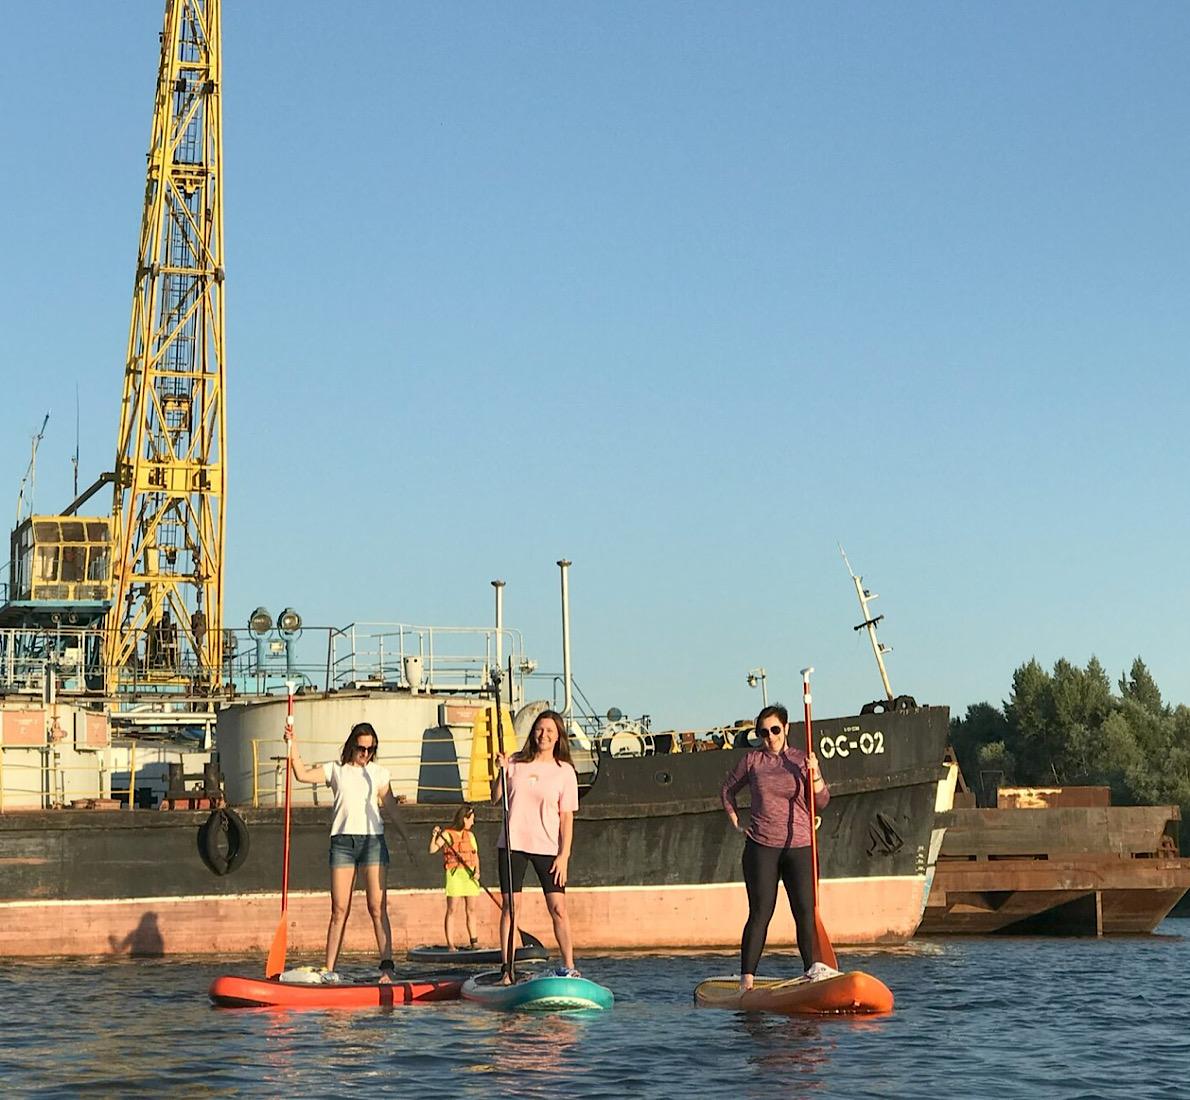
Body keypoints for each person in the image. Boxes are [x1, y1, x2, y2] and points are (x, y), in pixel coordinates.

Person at [720, 703, 838, 990]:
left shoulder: (801, 760)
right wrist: (736, 821)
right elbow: (727, 790)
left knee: (805, 913)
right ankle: (747, 981)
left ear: (786, 728)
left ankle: (812, 974)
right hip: (761, 847)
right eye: (763, 732)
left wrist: (816, 774)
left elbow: (822, 802)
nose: (770, 737)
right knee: (761, 913)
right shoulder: (752, 761)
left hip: (801, 846)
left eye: (774, 730)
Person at [286, 721, 402, 983]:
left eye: (371, 750)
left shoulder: (379, 773)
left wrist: (406, 838)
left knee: (376, 907)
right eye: (361, 748)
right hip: (342, 843)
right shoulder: (335, 770)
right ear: (352, 746)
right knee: (339, 909)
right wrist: (292, 743)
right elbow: (301, 774)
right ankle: (329, 970)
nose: (365, 754)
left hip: (373, 841)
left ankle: (387, 968)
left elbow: (392, 808)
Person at [492, 709, 580, 981]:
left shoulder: (565, 772)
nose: (544, 735)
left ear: (558, 736)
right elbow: (496, 798)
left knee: (558, 908)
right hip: (513, 844)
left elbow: (566, 817)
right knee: (511, 907)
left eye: (550, 731)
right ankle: (507, 970)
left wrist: (563, 855)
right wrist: (501, 771)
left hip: (548, 847)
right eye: (540, 729)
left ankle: (569, 966)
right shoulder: (516, 762)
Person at [429, 804, 482, 951]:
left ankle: (474, 942)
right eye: (471, 819)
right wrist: (434, 836)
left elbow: (475, 855)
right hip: (455, 875)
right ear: (464, 819)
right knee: (452, 909)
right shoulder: (447, 834)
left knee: (471, 909)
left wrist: (477, 871)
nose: (473, 822)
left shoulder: (470, 836)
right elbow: (432, 849)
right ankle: (451, 944)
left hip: (470, 875)